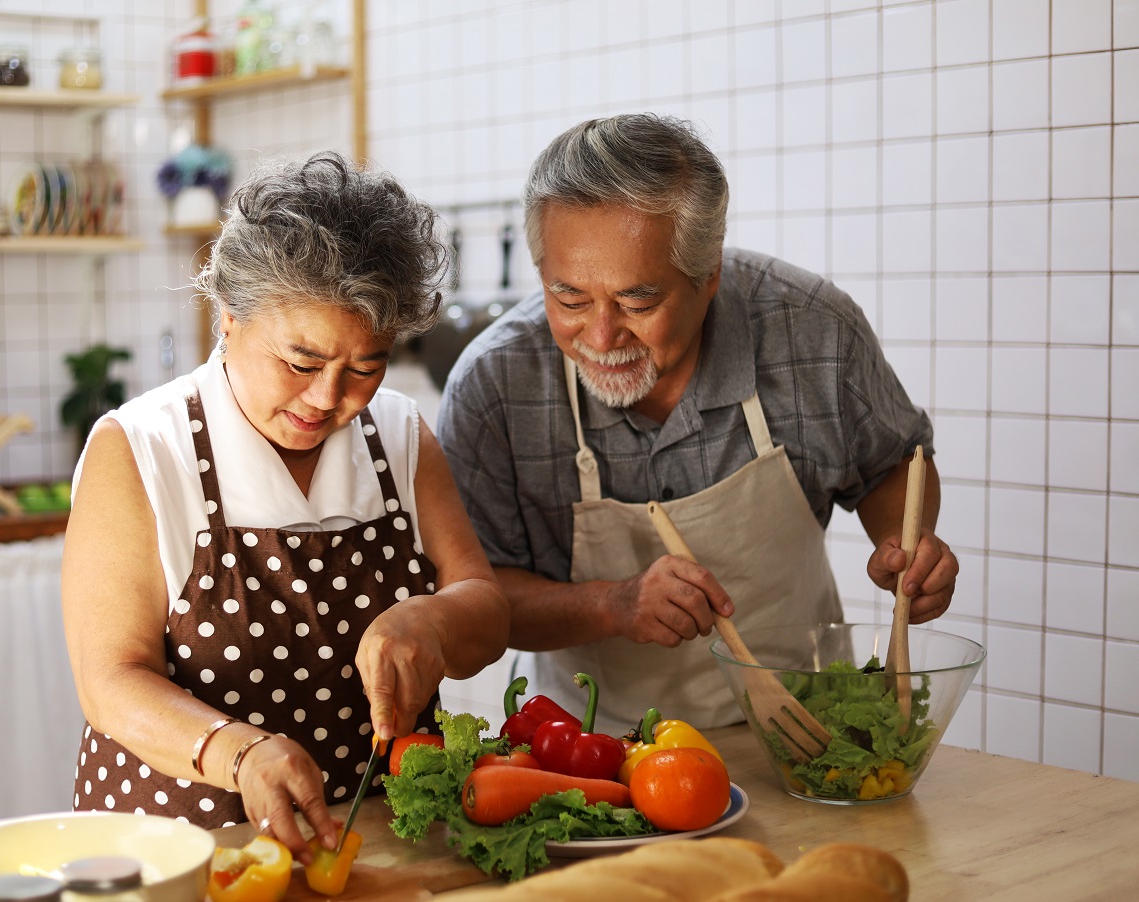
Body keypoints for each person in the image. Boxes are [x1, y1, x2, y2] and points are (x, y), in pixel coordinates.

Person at [436, 114, 957, 734]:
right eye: (569, 298)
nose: (601, 337)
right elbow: (478, 599)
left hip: (804, 734)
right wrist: (614, 605)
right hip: (595, 752)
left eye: (638, 301)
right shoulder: (495, 385)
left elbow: (891, 464)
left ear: (709, 277)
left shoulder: (811, 330)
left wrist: (907, 545)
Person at [62, 151, 509, 864]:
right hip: (183, 855)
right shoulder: (143, 449)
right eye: (301, 363)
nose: (330, 397)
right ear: (229, 317)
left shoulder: (398, 435)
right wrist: (238, 753)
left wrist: (432, 618)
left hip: (374, 849)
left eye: (366, 366)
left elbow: (486, 611)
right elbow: (110, 681)